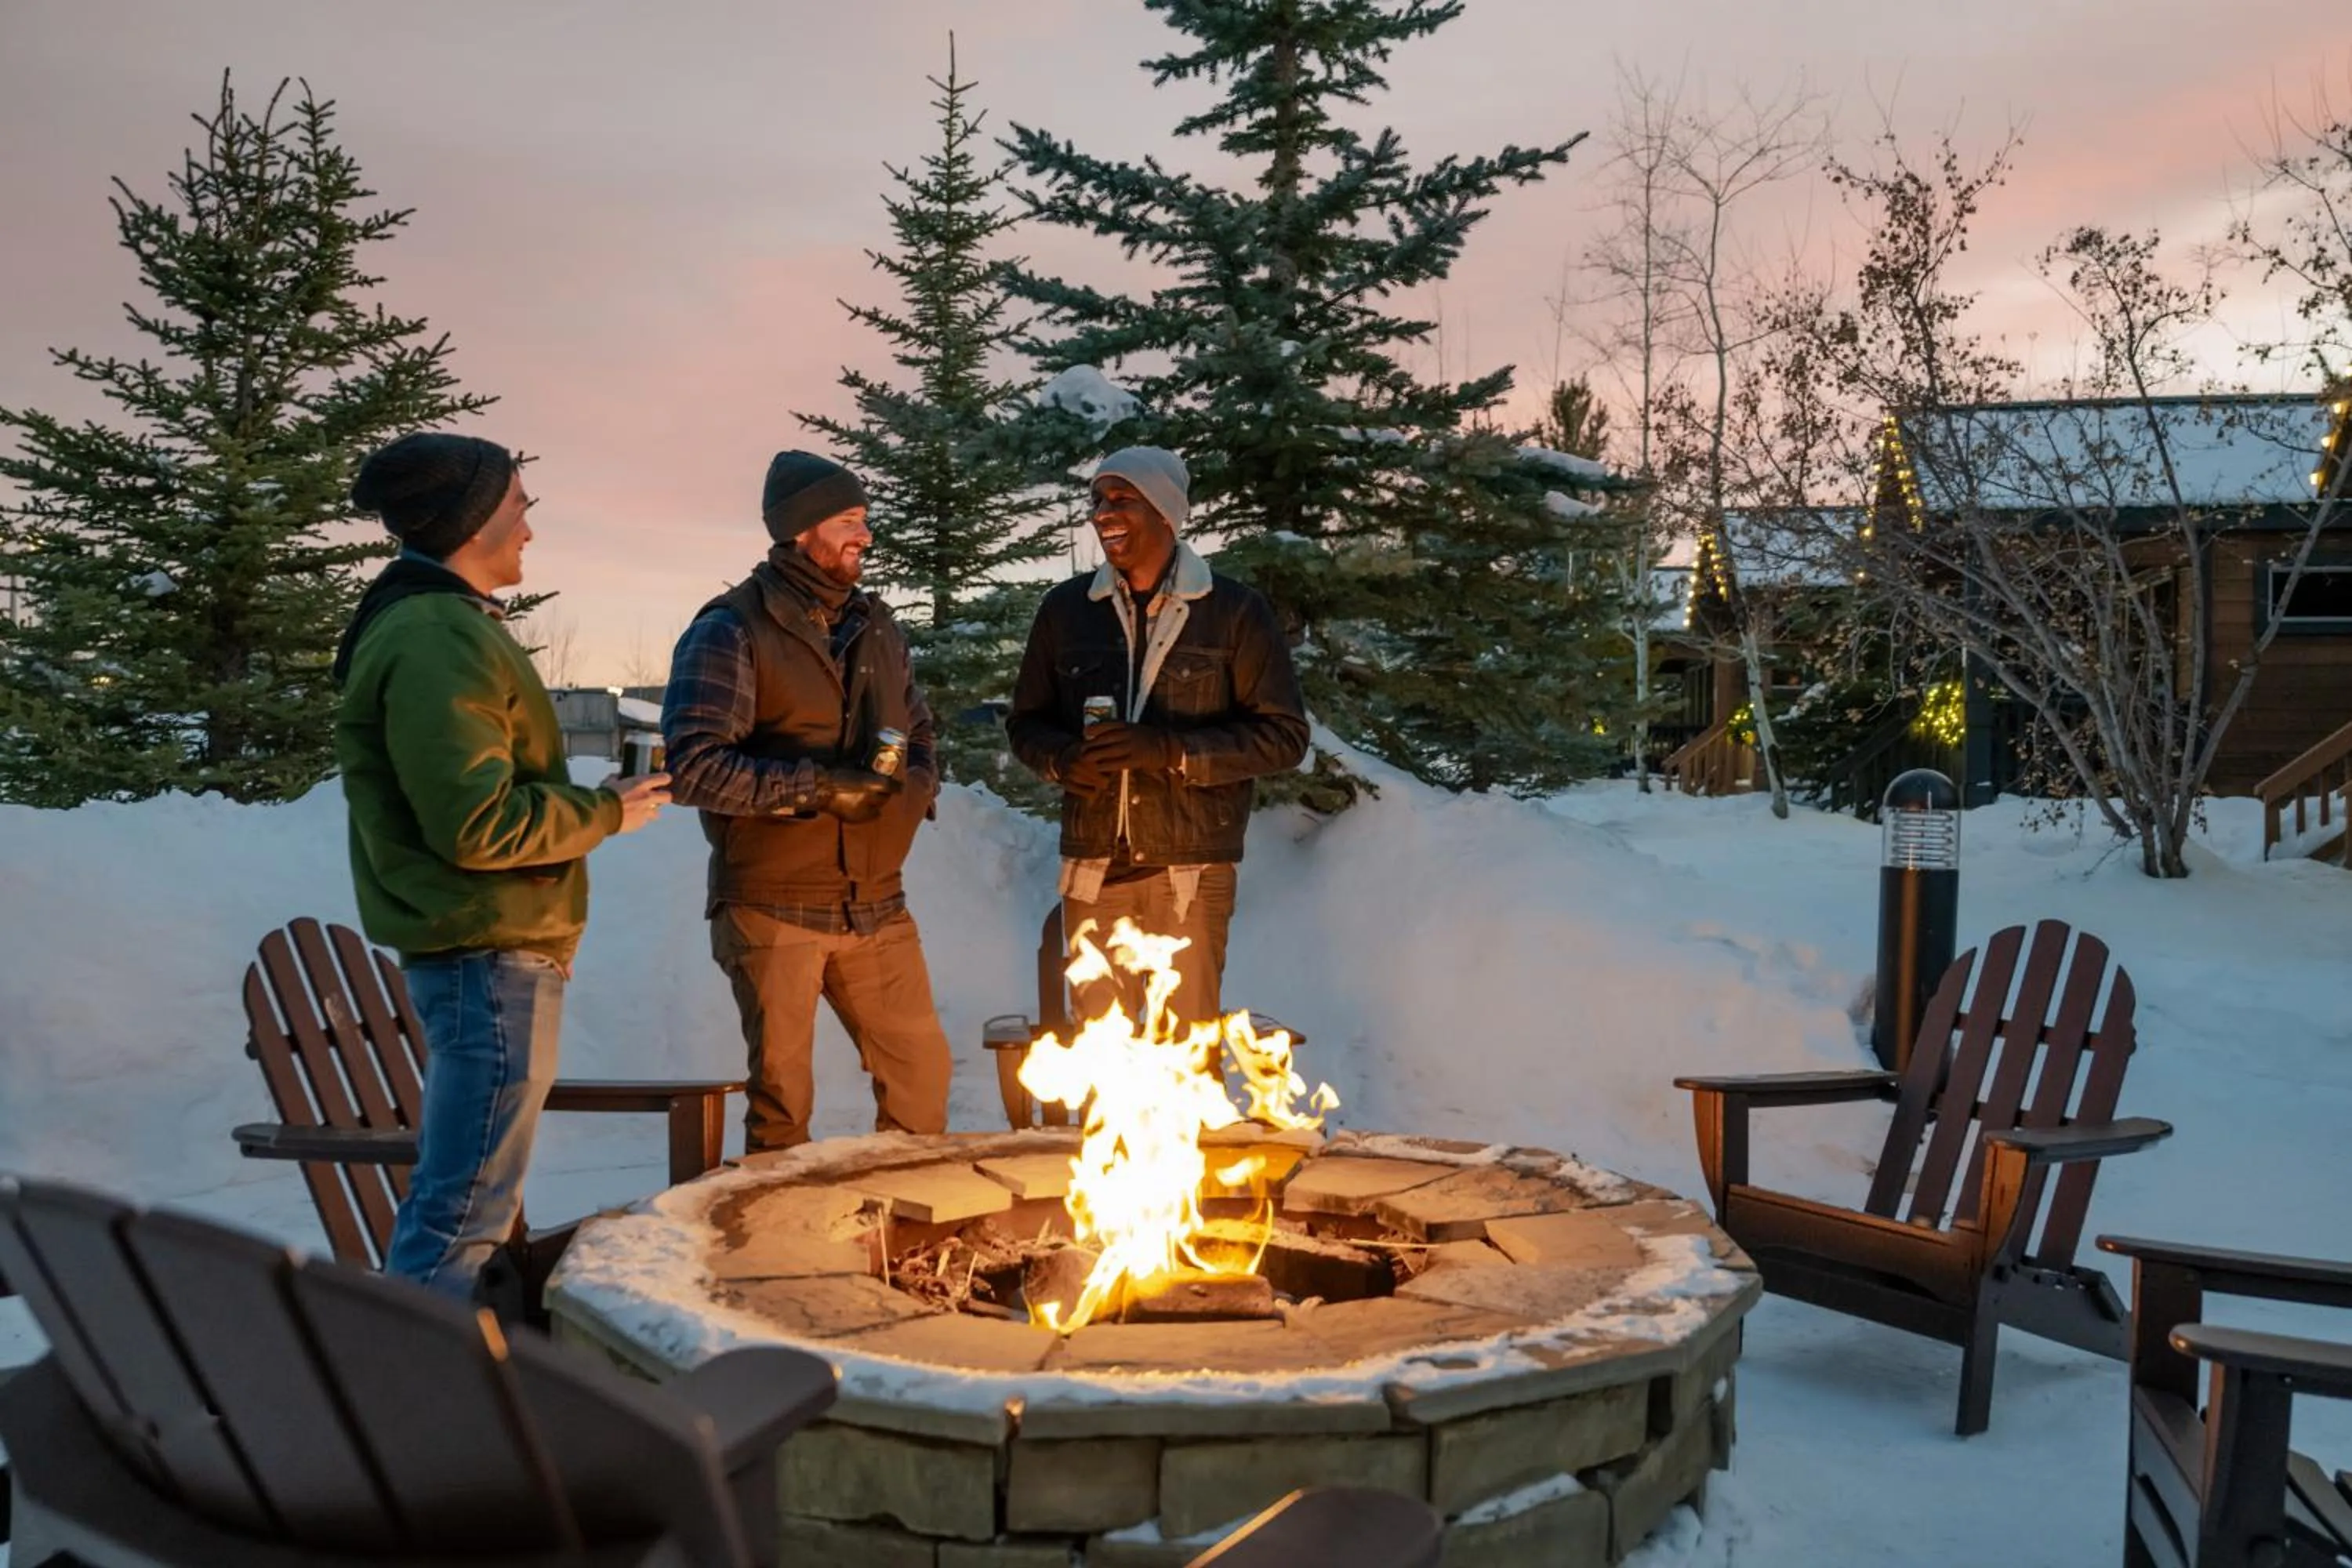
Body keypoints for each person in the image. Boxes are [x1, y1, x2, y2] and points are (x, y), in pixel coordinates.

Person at [334, 431, 669, 1301]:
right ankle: (420, 1406)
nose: (528, 529)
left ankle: (434, 1390)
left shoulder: (438, 624)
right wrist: (606, 810)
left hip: (487, 949)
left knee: (470, 1197)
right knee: (464, 1209)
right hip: (488, 950)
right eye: (519, 506)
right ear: (472, 519)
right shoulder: (436, 636)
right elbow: (477, 824)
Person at [661, 450, 953, 1155]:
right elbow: (695, 768)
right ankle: (774, 1255)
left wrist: (911, 794)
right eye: (849, 520)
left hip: (875, 902)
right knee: (783, 1105)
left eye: (865, 520)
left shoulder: (875, 624)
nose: (866, 535)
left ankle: (904, 1240)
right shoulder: (730, 629)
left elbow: (916, 730)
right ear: (801, 531)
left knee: (922, 1080)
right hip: (774, 904)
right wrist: (819, 789)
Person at [1006, 446, 1309, 1031]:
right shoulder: (1067, 611)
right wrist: (1061, 759)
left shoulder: (1233, 612)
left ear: (1165, 512)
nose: (1103, 512)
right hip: (1093, 869)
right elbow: (1026, 723)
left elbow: (1284, 737)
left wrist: (1172, 752)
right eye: (1097, 500)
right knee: (1102, 1054)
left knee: (1184, 1056)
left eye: (1122, 499)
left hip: (1188, 874)